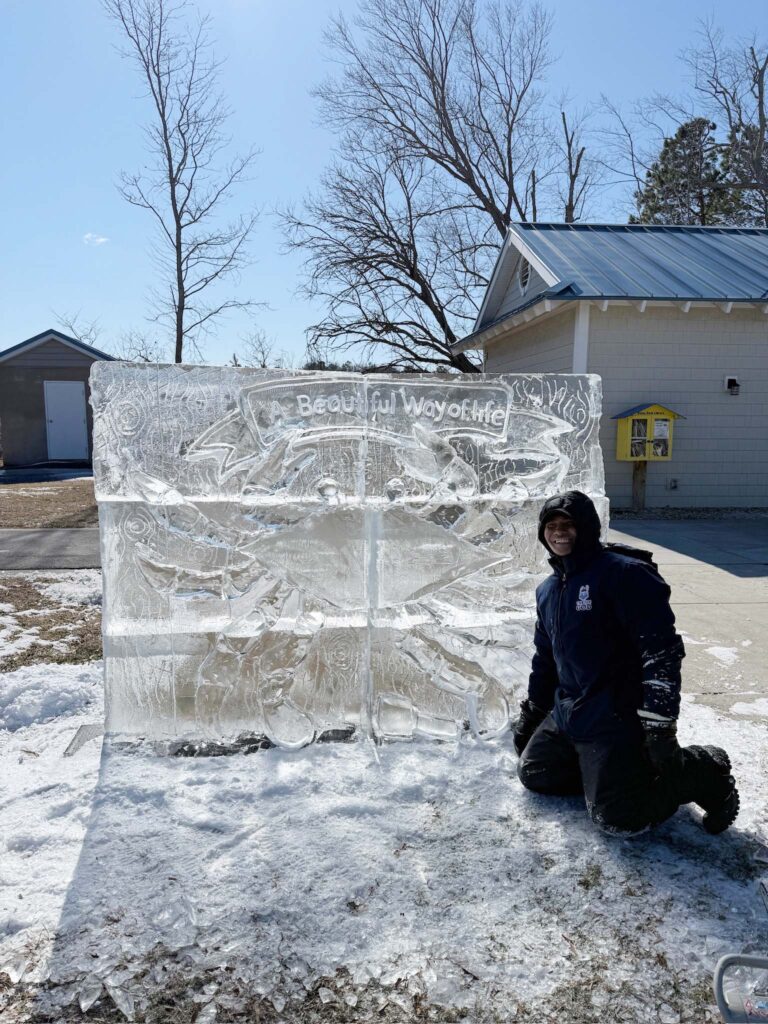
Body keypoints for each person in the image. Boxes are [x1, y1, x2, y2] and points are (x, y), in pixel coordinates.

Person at [513, 490, 739, 836]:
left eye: (569, 525)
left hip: (616, 714)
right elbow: (545, 657)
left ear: (587, 528)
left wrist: (660, 727)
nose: (559, 532)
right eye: (552, 526)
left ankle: (701, 771)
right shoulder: (549, 589)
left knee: (617, 818)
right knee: (536, 774)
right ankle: (621, 775)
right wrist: (534, 709)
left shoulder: (625, 575)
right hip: (572, 712)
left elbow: (660, 654)